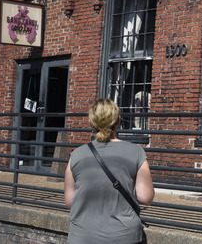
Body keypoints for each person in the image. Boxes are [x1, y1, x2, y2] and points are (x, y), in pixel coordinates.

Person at [64, 99, 154, 243]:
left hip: (82, 236)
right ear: (118, 120)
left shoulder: (76, 155)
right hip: (124, 236)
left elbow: (70, 202)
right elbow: (145, 197)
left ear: (91, 122)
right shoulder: (136, 152)